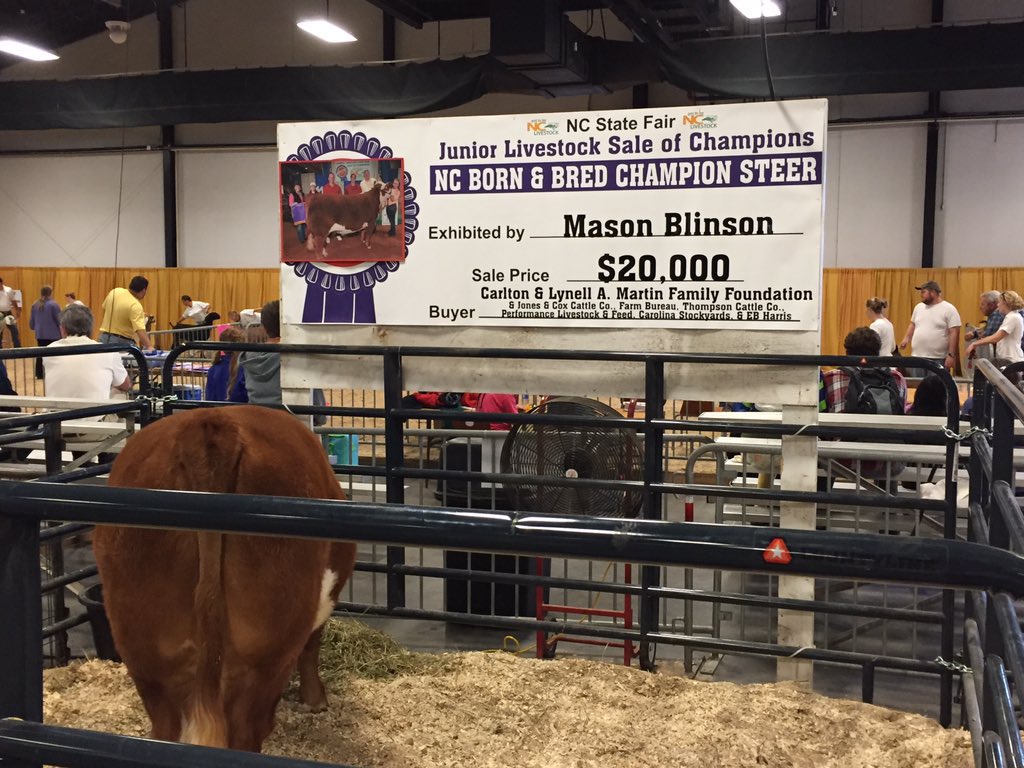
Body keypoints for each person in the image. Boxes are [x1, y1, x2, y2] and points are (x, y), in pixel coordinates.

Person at [823, 326, 908, 482]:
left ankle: (820, 503)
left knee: (820, 447)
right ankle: (889, 503)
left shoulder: (831, 377)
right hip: (890, 461)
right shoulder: (897, 378)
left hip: (842, 461)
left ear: (847, 352)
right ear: (878, 351)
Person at [44, 304, 132, 408]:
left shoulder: (48, 351)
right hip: (94, 420)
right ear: (91, 328)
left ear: (62, 329)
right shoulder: (109, 351)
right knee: (121, 394)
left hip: (54, 420)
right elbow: (126, 385)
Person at [898, 280, 961, 373]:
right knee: (917, 386)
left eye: (923, 292)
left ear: (933, 292)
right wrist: (906, 338)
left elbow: (954, 332)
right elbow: (913, 324)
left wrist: (951, 355)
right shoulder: (918, 307)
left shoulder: (949, 309)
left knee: (935, 386)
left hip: (938, 358)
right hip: (917, 356)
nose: (921, 295)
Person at [239, 299, 282, 406]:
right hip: (287, 419)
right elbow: (318, 415)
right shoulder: (296, 356)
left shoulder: (248, 356)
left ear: (263, 326)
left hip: (255, 416)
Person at [965, 290, 1024, 366]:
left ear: (1005, 304)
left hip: (1012, 360)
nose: (998, 305)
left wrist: (974, 344)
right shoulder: (1010, 316)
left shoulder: (1012, 317)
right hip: (1007, 358)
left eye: (999, 303)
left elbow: (995, 337)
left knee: (981, 371)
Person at [98, 275, 155, 352]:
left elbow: (105, 307)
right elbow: (140, 330)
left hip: (103, 338)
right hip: (121, 343)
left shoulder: (115, 291)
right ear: (144, 290)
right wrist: (149, 346)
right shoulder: (135, 305)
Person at [205, 326, 248, 402]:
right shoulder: (246, 368)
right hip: (240, 411)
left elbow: (209, 398)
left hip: (219, 412)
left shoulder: (213, 369)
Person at [28, 285, 62, 379]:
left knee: (40, 353)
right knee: (53, 354)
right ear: (50, 293)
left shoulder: (35, 304)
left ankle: (39, 374)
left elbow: (32, 322)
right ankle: (53, 373)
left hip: (40, 334)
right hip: (53, 334)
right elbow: (59, 320)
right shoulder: (54, 305)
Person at [0, 275, 22, 348]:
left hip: (8, 313)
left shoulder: (8, 290)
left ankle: (18, 348)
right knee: (0, 332)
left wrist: (17, 310)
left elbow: (13, 301)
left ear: (2, 283)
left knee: (14, 330)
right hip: (0, 314)